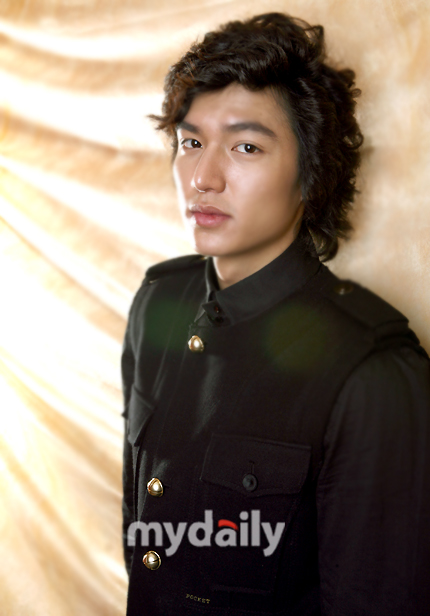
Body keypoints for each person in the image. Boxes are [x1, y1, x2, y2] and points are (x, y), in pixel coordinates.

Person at [121, 13, 430, 615]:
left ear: (310, 176)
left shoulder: (373, 373)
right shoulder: (159, 301)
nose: (202, 178)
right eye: (191, 142)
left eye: (246, 147)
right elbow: (147, 543)